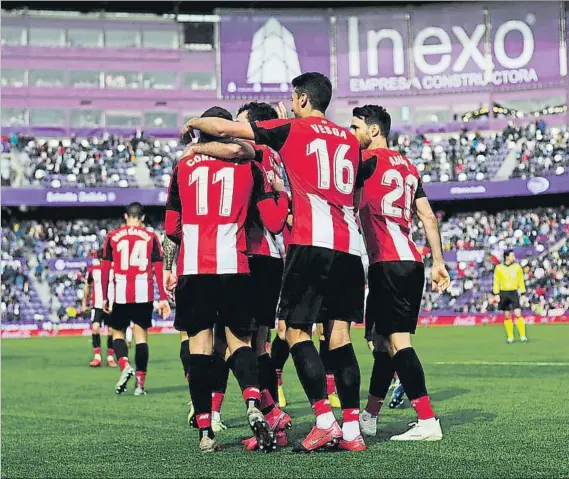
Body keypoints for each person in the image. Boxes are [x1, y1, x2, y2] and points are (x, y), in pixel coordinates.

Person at [184, 72, 367, 453]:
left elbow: (225, 134)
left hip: (307, 243)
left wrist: (193, 128)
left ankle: (322, 419)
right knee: (338, 337)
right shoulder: (350, 138)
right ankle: (351, 429)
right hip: (350, 244)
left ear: (301, 99)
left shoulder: (290, 130)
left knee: (292, 332)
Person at [165, 106, 289, 453]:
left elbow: (171, 227)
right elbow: (269, 218)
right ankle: (253, 404)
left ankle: (206, 431)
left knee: (201, 350)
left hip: (194, 268)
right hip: (235, 266)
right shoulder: (248, 166)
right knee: (241, 344)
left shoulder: (182, 166)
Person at [351, 105, 450, 441]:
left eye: (355, 127)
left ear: (374, 130)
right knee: (382, 345)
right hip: (409, 261)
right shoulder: (407, 166)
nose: (352, 134)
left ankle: (427, 420)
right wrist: (439, 262)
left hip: (389, 262)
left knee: (397, 342)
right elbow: (429, 217)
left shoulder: (366, 163)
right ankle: (369, 416)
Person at [101, 202, 171, 396]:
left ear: (126, 216)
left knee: (117, 334)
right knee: (141, 339)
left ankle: (124, 364)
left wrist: (105, 296)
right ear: (142, 218)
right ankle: (140, 385)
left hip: (121, 293)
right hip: (144, 293)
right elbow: (158, 269)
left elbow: (105, 268)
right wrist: (163, 298)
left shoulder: (112, 237)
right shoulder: (151, 237)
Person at [83, 249, 116, 368]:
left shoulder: (115, 270)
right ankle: (97, 356)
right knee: (95, 328)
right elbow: (87, 285)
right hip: (97, 305)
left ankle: (110, 357)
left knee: (112, 331)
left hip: (111, 305)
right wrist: (84, 302)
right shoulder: (93, 270)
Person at [493, 250, 527, 343]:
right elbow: (496, 281)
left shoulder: (517, 267)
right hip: (503, 293)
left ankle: (523, 336)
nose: (514, 257)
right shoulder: (499, 268)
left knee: (518, 314)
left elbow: (521, 280)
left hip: (514, 292)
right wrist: (496, 293)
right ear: (507, 257)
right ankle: (510, 337)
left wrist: (523, 293)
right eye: (512, 255)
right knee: (507, 316)